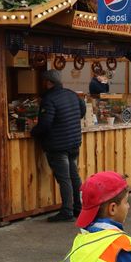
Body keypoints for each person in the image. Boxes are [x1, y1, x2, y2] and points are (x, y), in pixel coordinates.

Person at [31, 69, 86, 223]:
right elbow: (82, 111)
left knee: (64, 179)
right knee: (74, 176)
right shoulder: (72, 94)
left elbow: (46, 124)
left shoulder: (49, 99)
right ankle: (78, 208)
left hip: (57, 145)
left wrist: (34, 131)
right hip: (74, 142)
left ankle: (67, 211)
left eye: (44, 81)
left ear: (49, 82)